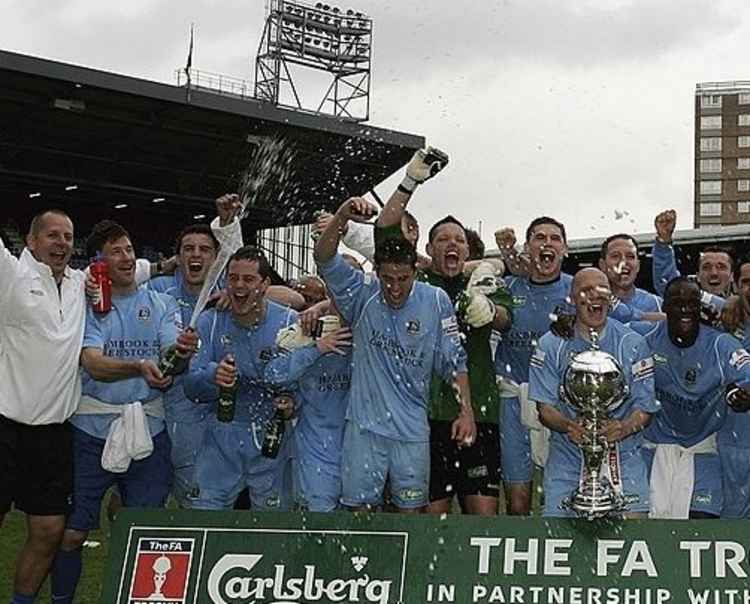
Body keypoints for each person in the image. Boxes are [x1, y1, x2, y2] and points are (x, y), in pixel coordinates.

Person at [0, 209, 152, 604]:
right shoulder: (11, 276)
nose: (61, 243)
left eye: (68, 236)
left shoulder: (82, 282)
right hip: (5, 427)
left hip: (53, 434)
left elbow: (144, 268)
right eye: (52, 235)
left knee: (50, 531)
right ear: (30, 242)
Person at [50, 220, 197, 604]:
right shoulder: (86, 306)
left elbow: (169, 360)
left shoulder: (160, 304)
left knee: (147, 532)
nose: (127, 256)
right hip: (90, 430)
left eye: (129, 249)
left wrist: (179, 355)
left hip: (148, 429)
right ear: (97, 262)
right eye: (116, 251)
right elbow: (94, 363)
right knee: (72, 533)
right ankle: (62, 599)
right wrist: (137, 367)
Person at [314, 196, 474, 513]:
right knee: (359, 512)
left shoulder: (436, 299)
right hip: (364, 428)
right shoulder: (361, 293)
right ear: (377, 273)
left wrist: (466, 411)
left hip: (412, 431)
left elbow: (454, 361)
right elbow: (323, 257)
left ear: (416, 272)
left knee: (411, 514)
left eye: (403, 279)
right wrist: (343, 213)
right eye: (387, 279)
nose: (395, 288)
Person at [374, 173, 513, 516]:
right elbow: (385, 229)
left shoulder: (482, 282)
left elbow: (507, 318)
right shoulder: (413, 281)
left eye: (459, 240)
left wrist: (489, 310)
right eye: (443, 239)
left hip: (479, 412)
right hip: (424, 415)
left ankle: (476, 573)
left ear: (467, 250)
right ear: (428, 248)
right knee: (430, 518)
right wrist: (409, 183)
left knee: (482, 518)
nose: (452, 244)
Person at [529, 268, 658, 518]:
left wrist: (623, 427)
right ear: (572, 298)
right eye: (586, 290)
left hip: (623, 458)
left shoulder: (633, 344)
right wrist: (569, 426)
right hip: (567, 459)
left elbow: (645, 408)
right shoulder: (550, 344)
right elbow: (544, 409)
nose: (595, 296)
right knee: (560, 542)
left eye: (601, 289)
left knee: (633, 539)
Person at [183, 245, 297, 511]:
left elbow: (303, 384)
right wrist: (215, 375)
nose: (238, 286)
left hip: (272, 441)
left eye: (248, 279)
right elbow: (191, 388)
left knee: (273, 531)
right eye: (232, 278)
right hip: (221, 440)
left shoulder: (289, 323)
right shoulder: (209, 322)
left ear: (265, 284)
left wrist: (292, 404)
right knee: (204, 523)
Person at [632, 277, 750, 519]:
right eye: (677, 303)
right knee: (647, 529)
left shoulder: (720, 344)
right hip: (655, 448)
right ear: (664, 307)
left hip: (702, 450)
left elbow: (747, 373)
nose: (685, 309)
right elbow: (607, 325)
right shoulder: (646, 341)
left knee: (701, 526)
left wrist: (742, 392)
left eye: (691, 303)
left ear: (701, 308)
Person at [493, 217, 573, 515]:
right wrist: (504, 257)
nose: (547, 243)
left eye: (555, 238)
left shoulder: (577, 289)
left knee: (560, 495)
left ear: (564, 249)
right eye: (540, 238)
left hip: (562, 402)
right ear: (528, 247)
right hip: (514, 400)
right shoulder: (507, 286)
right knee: (518, 501)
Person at [266, 297, 354, 511]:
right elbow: (272, 375)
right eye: (339, 295)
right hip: (317, 450)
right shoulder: (308, 332)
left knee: (358, 530)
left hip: (358, 450)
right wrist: (317, 349)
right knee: (318, 527)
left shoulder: (370, 330)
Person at [718, 255, 750, 518]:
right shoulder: (725, 319)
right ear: (736, 286)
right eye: (747, 282)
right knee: (733, 522)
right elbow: (674, 300)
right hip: (734, 442)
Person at [653, 209, 734, 298]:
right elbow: (670, 286)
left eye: (721, 267)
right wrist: (663, 242)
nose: (714, 273)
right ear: (698, 276)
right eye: (706, 267)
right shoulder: (687, 304)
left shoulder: (742, 307)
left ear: (732, 276)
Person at [599, 233, 661, 313]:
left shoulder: (656, 304)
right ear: (602, 265)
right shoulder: (589, 306)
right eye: (615, 256)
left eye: (630, 256)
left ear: (638, 265)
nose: (623, 262)